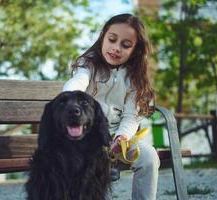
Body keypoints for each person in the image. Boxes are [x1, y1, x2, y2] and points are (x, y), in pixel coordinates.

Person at [63, 13, 160, 200]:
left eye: (126, 45)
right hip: (88, 134)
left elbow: (131, 116)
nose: (116, 48)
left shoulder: (134, 78)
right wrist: (70, 98)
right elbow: (77, 82)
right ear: (103, 37)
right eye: (112, 40)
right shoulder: (88, 65)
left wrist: (122, 136)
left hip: (119, 136)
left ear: (135, 50)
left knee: (148, 157)